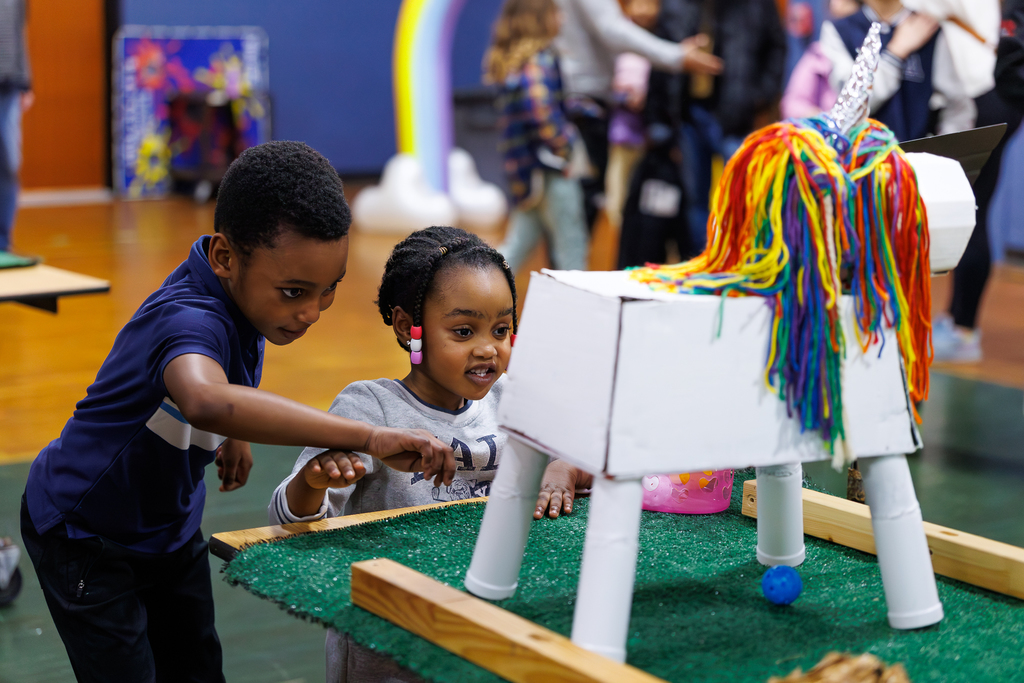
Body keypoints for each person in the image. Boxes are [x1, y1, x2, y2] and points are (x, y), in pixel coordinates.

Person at [19, 141, 455, 683]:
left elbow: (229, 385)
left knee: (198, 669)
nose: (311, 312)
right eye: (295, 291)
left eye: (329, 292)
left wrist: (235, 436)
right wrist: (369, 434)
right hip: (86, 534)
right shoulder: (187, 318)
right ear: (226, 257)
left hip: (168, 528)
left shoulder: (250, 296)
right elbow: (207, 398)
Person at [268, 225, 591, 682]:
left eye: (502, 329)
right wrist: (313, 483)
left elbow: (589, 452)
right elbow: (287, 521)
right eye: (463, 330)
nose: (488, 349)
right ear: (408, 327)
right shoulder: (370, 408)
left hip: (486, 634)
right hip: (391, 647)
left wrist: (560, 466)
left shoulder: (513, 399)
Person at [555, 0, 722, 231]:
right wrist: (676, 55)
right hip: (583, 104)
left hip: (588, 102)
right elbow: (611, 29)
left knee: (578, 206)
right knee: (581, 208)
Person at [655, 0, 788, 251]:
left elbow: (776, 48)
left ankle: (740, 259)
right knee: (695, 200)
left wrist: (758, 95)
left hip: (736, 115)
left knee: (745, 194)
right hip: (688, 113)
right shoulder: (677, 5)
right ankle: (701, 261)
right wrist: (660, 120)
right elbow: (661, 56)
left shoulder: (756, 6)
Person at [933, 0, 1023, 362]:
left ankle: (962, 329)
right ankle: (958, 321)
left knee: (970, 208)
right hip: (998, 93)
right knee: (974, 206)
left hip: (982, 92)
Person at [488, 0, 591, 273]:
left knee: (518, 243)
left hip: (527, 172)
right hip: (550, 170)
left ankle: (473, 288)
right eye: (557, 12)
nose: (562, 19)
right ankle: (575, 311)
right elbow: (541, 113)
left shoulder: (516, 62)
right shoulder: (539, 60)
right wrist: (566, 147)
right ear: (539, 17)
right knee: (572, 245)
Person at [820, 0, 976, 142]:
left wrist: (944, 153)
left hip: (919, 161)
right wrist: (895, 53)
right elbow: (851, 107)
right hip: (862, 161)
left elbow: (957, 105)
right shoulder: (840, 31)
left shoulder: (927, 26)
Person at [604, 0, 660, 234]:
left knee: (643, 192)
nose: (643, 10)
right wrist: (623, 95)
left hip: (648, 135)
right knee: (617, 187)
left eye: (650, 4)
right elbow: (607, 81)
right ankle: (619, 228)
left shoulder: (659, 40)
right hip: (622, 131)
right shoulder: (617, 40)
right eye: (638, 4)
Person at [780, 0, 863, 119]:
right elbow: (792, 103)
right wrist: (821, 118)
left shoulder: (872, 49)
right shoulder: (818, 56)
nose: (836, 3)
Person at [0, 0, 32, 252]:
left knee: (9, 164)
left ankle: (3, 242)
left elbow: (20, 32)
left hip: (9, 88)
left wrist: (26, 82)